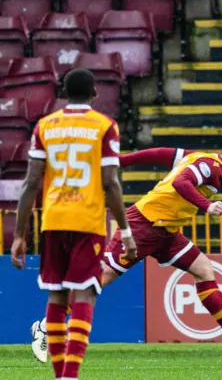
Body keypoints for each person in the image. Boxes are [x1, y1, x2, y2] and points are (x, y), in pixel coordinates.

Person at [30, 146, 222, 363]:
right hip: (143, 226)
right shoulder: (210, 167)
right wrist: (207, 205)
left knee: (204, 269)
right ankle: (44, 327)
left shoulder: (205, 159)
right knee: (97, 282)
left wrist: (123, 161)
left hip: (167, 233)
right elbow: (181, 183)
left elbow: (161, 154)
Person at [12, 68, 137, 380]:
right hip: (87, 219)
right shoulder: (105, 125)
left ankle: (60, 376)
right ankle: (70, 376)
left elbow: (30, 183)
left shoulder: (45, 126)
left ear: (63, 93)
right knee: (85, 294)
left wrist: (18, 235)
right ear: (95, 93)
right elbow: (111, 183)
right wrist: (125, 229)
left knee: (56, 295)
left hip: (53, 219)